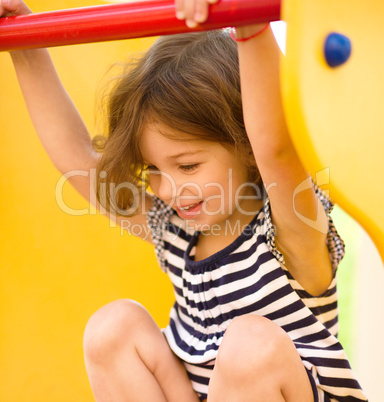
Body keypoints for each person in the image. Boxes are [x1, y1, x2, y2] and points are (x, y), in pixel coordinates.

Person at [1, 0, 367, 400]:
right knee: (114, 327)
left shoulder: (292, 234)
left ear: (245, 147)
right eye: (153, 170)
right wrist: (24, 45)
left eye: (188, 166)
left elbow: (277, 150)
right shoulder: (173, 232)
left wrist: (247, 22)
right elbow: (79, 160)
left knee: (250, 345)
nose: (167, 190)